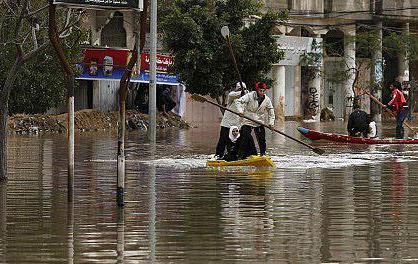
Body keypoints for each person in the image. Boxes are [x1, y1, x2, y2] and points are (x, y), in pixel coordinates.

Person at [236, 82, 275, 158]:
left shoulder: (267, 99)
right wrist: (240, 111)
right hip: (248, 120)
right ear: (257, 90)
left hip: (259, 121)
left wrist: (271, 123)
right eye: (260, 90)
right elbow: (238, 101)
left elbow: (271, 111)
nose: (262, 93)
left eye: (264, 91)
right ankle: (239, 156)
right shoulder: (250, 96)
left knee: (262, 140)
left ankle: (263, 155)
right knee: (244, 138)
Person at [215, 82, 247, 159]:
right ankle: (218, 155)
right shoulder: (232, 96)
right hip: (227, 124)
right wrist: (242, 92)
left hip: (238, 125)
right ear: (236, 89)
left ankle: (236, 156)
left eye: (243, 89)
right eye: (239, 89)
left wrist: (245, 93)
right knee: (223, 141)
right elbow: (232, 95)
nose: (241, 91)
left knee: (238, 142)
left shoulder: (246, 99)